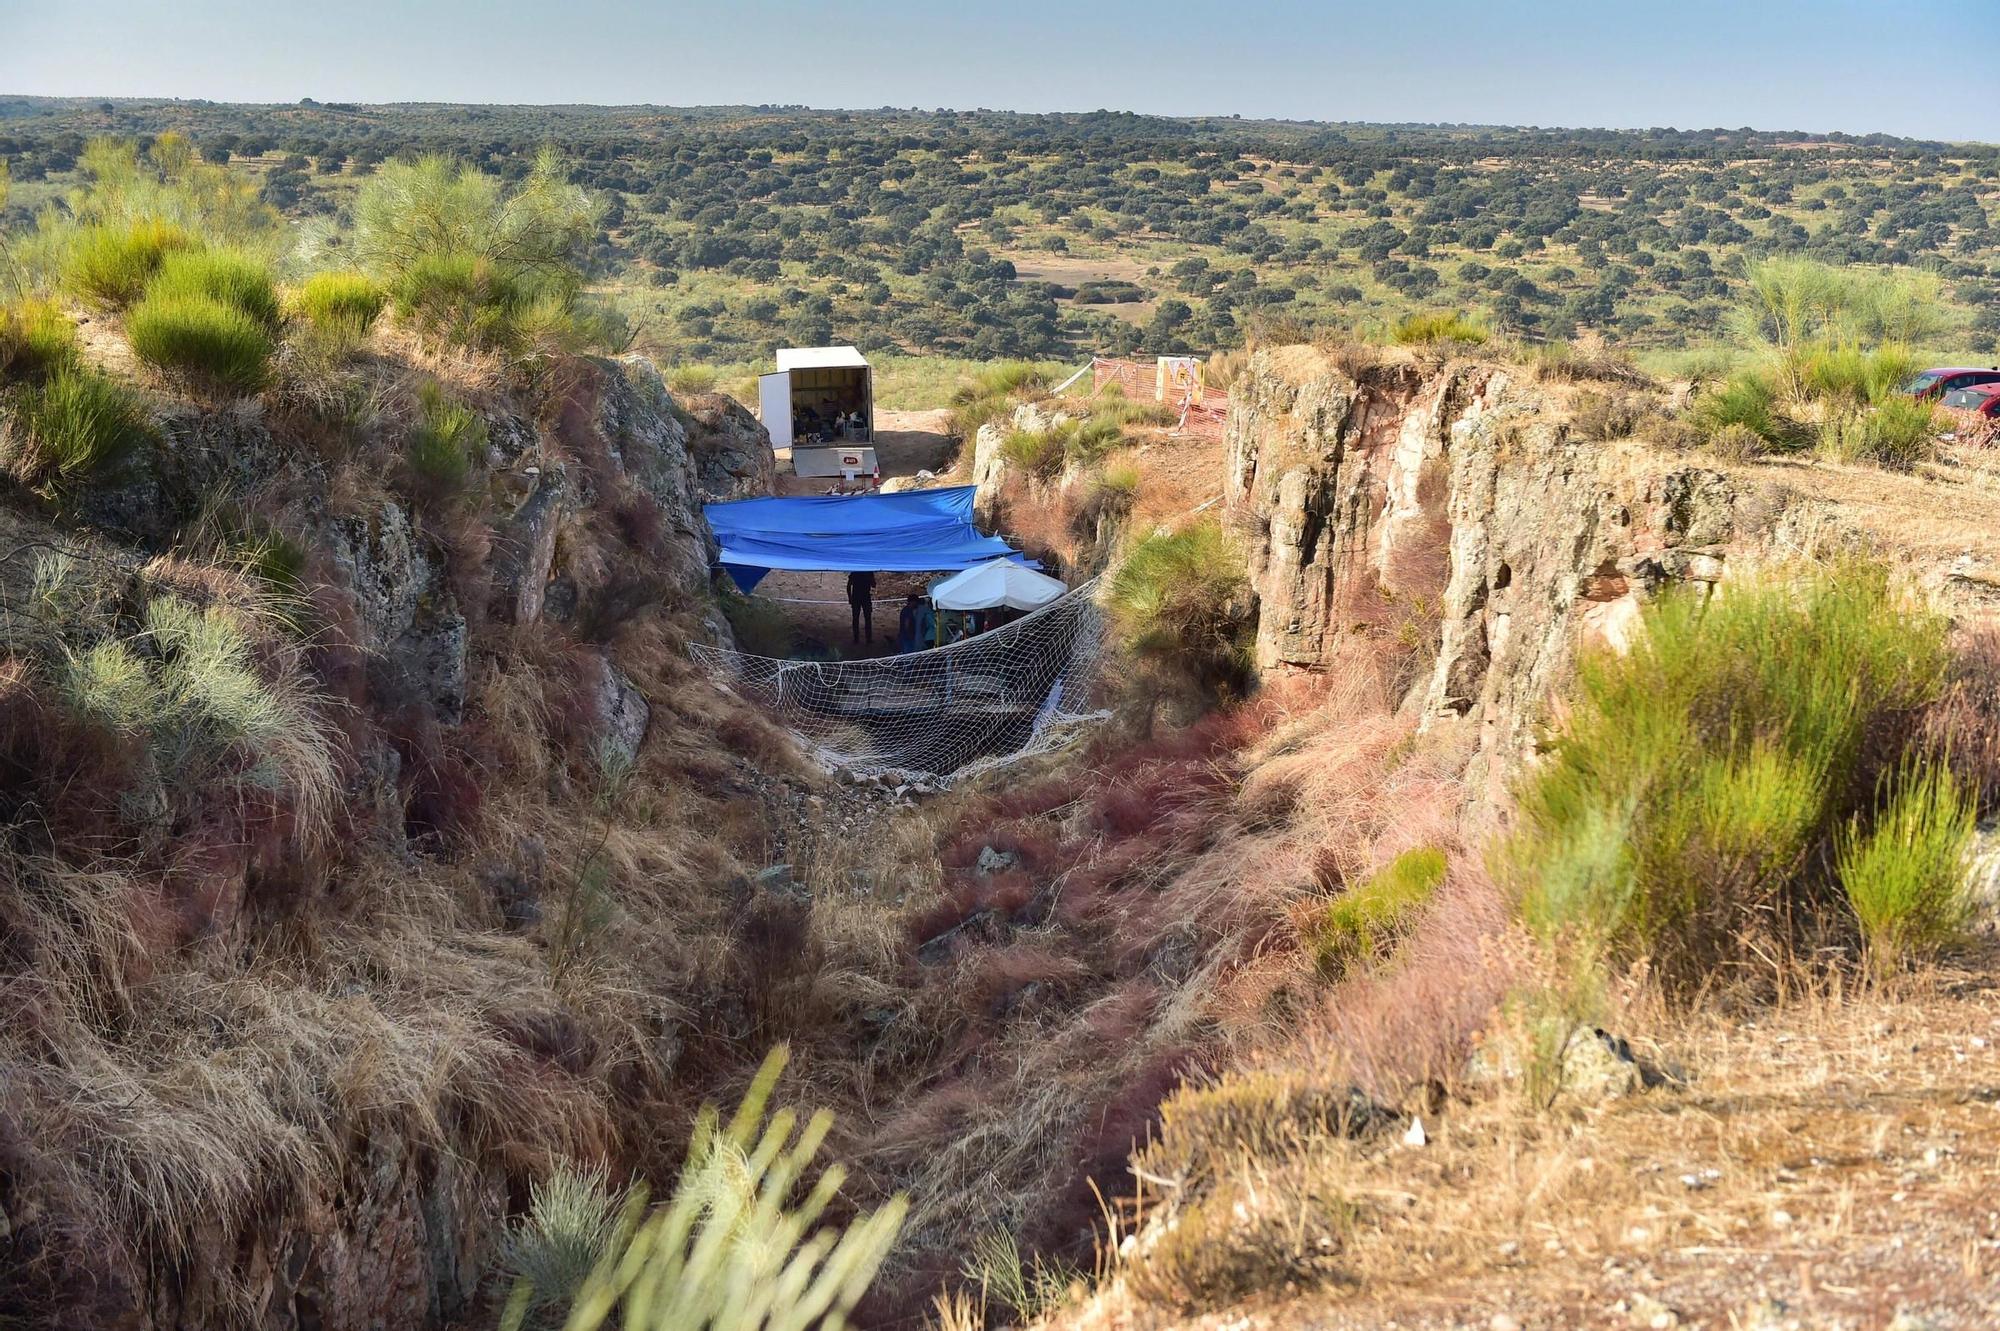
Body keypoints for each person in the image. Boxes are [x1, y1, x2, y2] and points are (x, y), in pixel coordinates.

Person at [846, 570, 876, 644]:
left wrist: (850, 597)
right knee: (866, 618)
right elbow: (874, 585)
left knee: (856, 618)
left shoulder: (856, 571)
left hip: (857, 597)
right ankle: (867, 639)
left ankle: (857, 639)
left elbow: (849, 586)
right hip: (865, 597)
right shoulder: (868, 572)